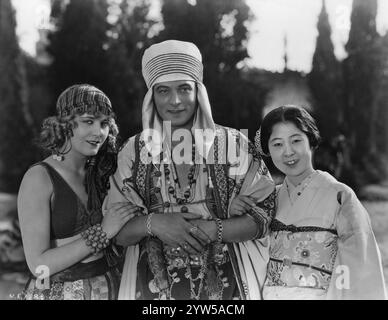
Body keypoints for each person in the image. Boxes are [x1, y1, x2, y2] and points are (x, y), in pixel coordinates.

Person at [103, 40, 276, 300]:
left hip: (229, 292)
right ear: (151, 96)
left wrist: (212, 230)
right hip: (152, 293)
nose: (175, 101)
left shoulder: (233, 145)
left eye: (184, 88)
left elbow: (263, 217)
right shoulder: (134, 151)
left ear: (198, 92)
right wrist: (155, 223)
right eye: (163, 91)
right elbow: (117, 233)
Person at [249, 105, 387, 299]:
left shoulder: (340, 197)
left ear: (311, 141)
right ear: (268, 150)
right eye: (277, 144)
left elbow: (361, 267)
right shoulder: (268, 198)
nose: (288, 152)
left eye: (296, 140)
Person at [17, 84, 138, 300]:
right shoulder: (39, 178)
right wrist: (102, 232)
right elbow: (38, 265)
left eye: (104, 124)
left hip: (110, 288)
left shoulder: (102, 173)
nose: (98, 132)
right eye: (88, 121)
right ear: (65, 124)